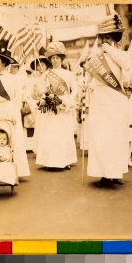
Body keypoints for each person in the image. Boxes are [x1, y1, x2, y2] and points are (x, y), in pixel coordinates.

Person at [85, 13, 132, 186]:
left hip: (116, 100)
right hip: (100, 100)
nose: (105, 41)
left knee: (117, 137)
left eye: (109, 37)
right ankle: (104, 174)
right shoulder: (95, 57)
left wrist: (110, 50)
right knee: (101, 137)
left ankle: (116, 172)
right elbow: (88, 79)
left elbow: (127, 66)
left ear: (115, 38)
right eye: (103, 37)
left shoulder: (121, 55)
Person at [0, 40, 31, 178]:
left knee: (11, 142)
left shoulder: (14, 79)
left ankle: (13, 171)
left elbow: (17, 99)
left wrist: (13, 116)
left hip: (9, 113)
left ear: (4, 63)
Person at [34, 41, 78, 170]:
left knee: (64, 134)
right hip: (50, 108)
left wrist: (68, 100)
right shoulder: (46, 74)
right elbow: (40, 91)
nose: (55, 60)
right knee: (50, 134)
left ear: (62, 58)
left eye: (57, 57)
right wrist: (44, 91)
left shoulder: (68, 74)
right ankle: (50, 161)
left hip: (63, 106)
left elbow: (75, 89)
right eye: (52, 58)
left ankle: (65, 160)